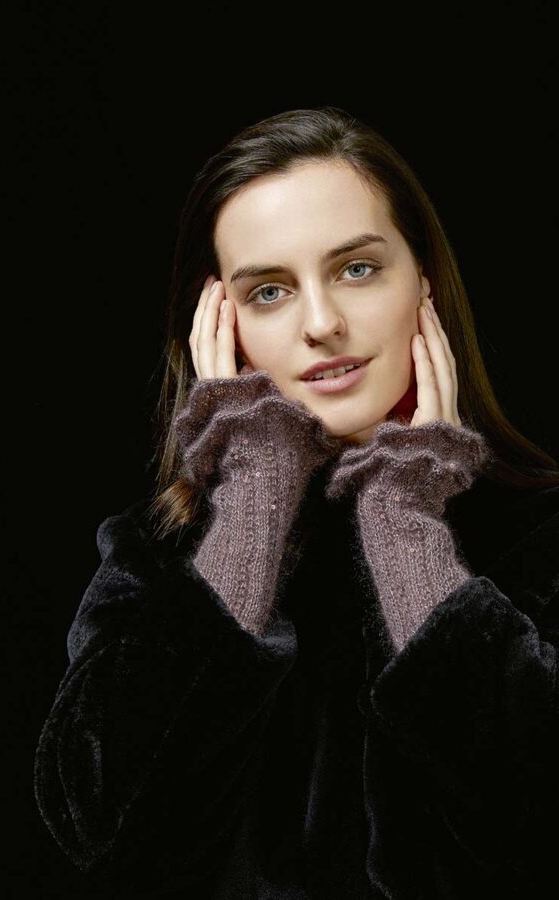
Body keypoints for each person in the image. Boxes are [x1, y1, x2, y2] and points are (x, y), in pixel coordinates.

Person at [33, 106, 559, 899]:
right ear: (221, 327)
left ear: (424, 281)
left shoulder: (542, 532)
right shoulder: (159, 555)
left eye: (357, 269)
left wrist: (408, 535)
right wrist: (251, 514)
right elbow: (96, 826)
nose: (322, 324)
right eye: (270, 291)